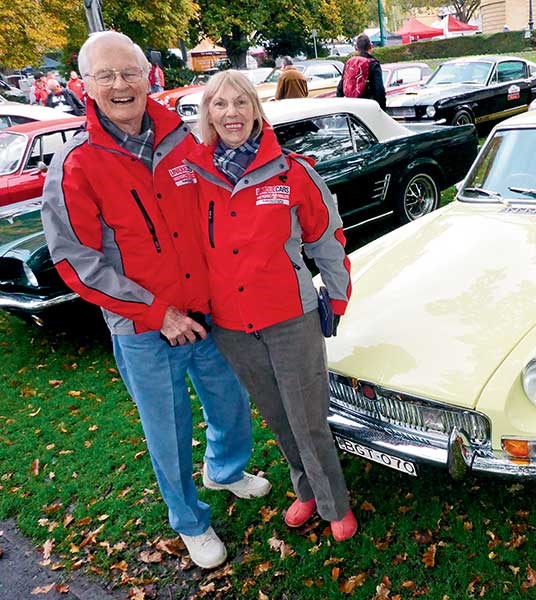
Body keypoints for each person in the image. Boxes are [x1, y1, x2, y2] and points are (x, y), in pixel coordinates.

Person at [41, 31, 270, 570]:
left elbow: (223, 210)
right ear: (84, 86)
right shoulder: (77, 165)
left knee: (232, 407)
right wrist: (154, 313)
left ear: (150, 77)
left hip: (208, 314)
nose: (121, 85)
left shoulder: (186, 140)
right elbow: (77, 262)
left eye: (130, 72)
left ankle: (226, 468)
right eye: (106, 76)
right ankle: (190, 521)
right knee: (167, 431)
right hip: (144, 329)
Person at [184, 70, 359, 542]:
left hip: (290, 316)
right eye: (220, 105)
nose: (231, 113)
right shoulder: (195, 176)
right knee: (279, 418)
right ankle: (306, 492)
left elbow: (327, 237)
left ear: (256, 110)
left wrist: (337, 295)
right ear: (208, 114)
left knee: (308, 417)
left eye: (241, 103)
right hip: (231, 325)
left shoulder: (291, 170)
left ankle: (334, 503)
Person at [336, 34, 386, 110]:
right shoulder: (373, 64)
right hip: (368, 106)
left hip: (352, 108)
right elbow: (379, 90)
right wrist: (382, 109)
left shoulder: (350, 63)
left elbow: (341, 87)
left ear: (356, 48)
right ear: (371, 46)